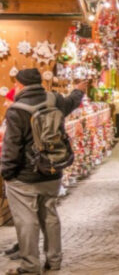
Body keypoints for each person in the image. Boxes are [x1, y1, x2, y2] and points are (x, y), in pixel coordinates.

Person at [1, 69, 87, 274]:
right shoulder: (54, 100)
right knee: (49, 214)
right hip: (52, 169)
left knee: (26, 220)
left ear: (20, 85)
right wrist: (78, 91)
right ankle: (54, 260)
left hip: (25, 175)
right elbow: (71, 102)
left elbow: (12, 145)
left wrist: (7, 172)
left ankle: (31, 265)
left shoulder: (17, 110)